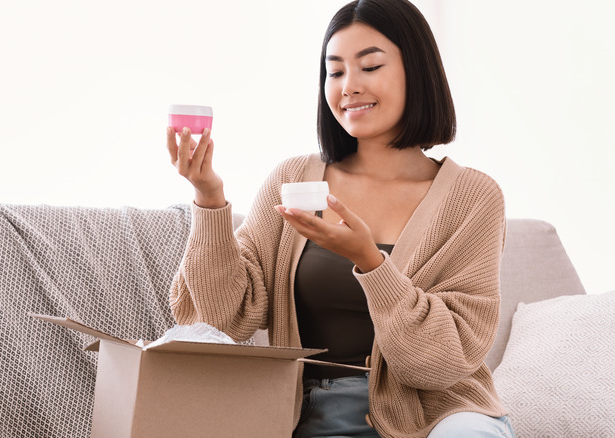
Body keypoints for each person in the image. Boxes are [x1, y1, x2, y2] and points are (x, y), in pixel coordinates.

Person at [166, 0, 515, 437]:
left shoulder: (473, 199)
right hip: (313, 413)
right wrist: (210, 198)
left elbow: (442, 364)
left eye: (369, 67)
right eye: (335, 72)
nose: (349, 86)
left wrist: (372, 263)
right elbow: (223, 319)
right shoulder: (294, 179)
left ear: (418, 72)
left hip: (439, 414)